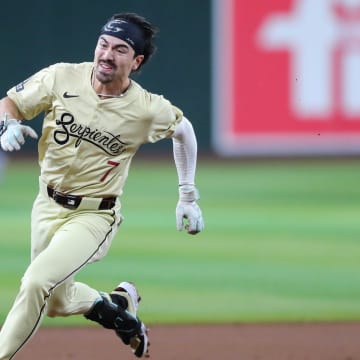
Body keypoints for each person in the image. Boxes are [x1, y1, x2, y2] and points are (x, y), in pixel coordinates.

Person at [0, 12, 204, 359]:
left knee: (36, 283)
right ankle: (118, 307)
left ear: (136, 61)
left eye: (120, 49)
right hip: (46, 205)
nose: (107, 54)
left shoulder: (146, 109)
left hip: (94, 216)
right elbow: (12, 103)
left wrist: (188, 195)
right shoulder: (61, 76)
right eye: (103, 44)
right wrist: (6, 123)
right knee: (56, 302)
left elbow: (184, 131)